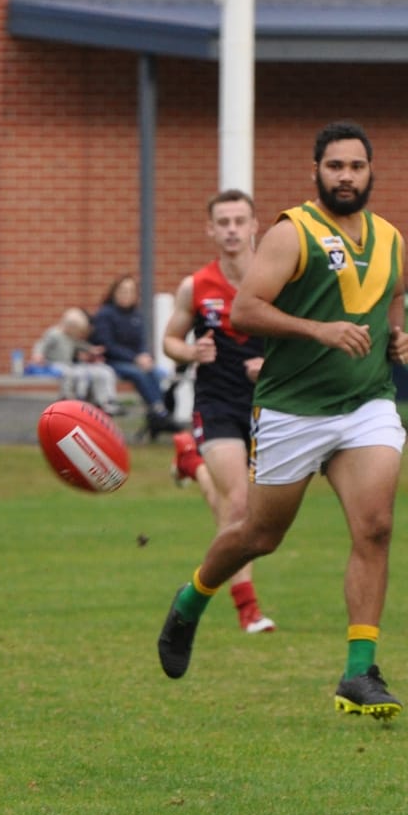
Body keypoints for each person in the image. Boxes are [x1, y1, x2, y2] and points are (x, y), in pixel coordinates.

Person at [156, 121, 408, 719]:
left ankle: (359, 674)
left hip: (366, 405)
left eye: (356, 166)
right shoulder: (291, 231)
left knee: (374, 527)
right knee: (258, 535)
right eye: (335, 167)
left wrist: (395, 337)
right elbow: (246, 310)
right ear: (316, 173)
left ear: (370, 172)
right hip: (292, 409)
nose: (346, 176)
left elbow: (394, 294)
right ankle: (191, 600)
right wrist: (318, 330)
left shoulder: (391, 238)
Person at [159, 189, 274, 634]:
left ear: (254, 226)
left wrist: (272, 365)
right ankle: (247, 606)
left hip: (269, 406)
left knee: (245, 507)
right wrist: (190, 352)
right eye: (222, 222)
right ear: (210, 229)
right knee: (240, 503)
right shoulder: (197, 285)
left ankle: (191, 462)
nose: (231, 229)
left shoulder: (276, 281)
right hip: (218, 404)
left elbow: (300, 338)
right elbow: (170, 340)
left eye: (238, 221)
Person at [92, 274, 181, 436]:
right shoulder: (105, 314)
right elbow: (107, 345)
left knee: (155, 372)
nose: (126, 294)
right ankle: (159, 413)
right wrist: (135, 358)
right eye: (123, 290)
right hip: (112, 361)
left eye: (130, 291)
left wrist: (145, 356)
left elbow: (141, 343)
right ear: (114, 292)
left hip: (135, 361)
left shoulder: (136, 315)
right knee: (139, 373)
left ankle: (159, 413)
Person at [32, 309, 120, 412]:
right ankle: (66, 396)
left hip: (67, 364)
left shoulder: (70, 337)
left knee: (82, 372)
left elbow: (79, 344)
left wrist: (91, 349)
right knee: (68, 373)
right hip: (53, 363)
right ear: (70, 327)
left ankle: (84, 397)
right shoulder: (54, 334)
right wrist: (38, 354)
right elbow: (41, 344)